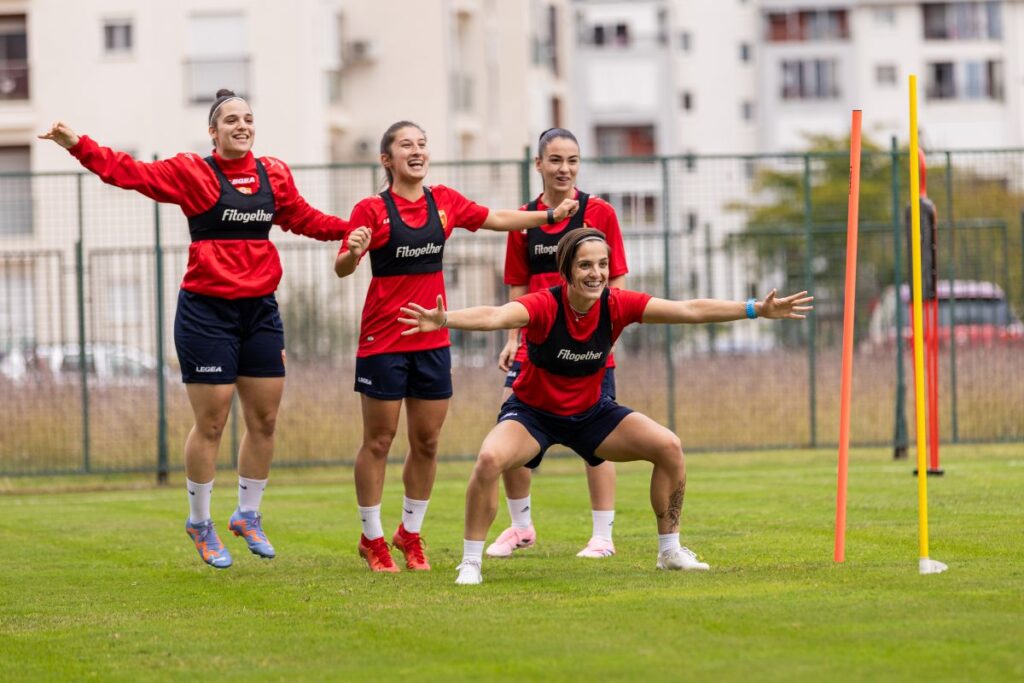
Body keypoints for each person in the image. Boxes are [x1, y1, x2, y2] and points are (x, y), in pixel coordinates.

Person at [39, 89, 350, 569]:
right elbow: (132, 174)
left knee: (265, 420)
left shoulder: (274, 174)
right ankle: (200, 522)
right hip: (207, 312)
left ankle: (247, 515)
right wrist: (76, 143)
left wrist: (351, 229)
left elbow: (304, 219)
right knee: (212, 421)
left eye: (247, 118)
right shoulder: (193, 173)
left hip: (260, 310)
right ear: (213, 131)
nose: (241, 125)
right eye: (230, 119)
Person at [398, 228, 812, 585]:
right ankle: (471, 561)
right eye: (585, 265)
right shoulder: (545, 304)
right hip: (533, 416)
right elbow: (496, 315)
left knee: (668, 447)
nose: (595, 273)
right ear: (567, 271)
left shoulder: (617, 303)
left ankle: (669, 550)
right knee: (489, 459)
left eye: (601, 264)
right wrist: (445, 319)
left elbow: (688, 310)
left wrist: (756, 309)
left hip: (591, 414)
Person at [334, 121, 578, 573]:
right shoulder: (371, 208)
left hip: (433, 341)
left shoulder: (442, 201)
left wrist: (548, 217)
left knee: (426, 442)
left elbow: (495, 219)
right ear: (387, 159)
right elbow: (344, 268)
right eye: (406, 145)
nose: (417, 151)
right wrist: (353, 250)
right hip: (383, 341)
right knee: (380, 441)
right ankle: (372, 539)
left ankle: (410, 534)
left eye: (423, 144)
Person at [490, 128, 628, 560]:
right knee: (512, 435)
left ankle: (602, 536)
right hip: (536, 347)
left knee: (599, 438)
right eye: (555, 160)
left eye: (572, 160)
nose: (564, 168)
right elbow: (517, 285)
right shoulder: (525, 220)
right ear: (539, 165)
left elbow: (618, 278)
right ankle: (521, 527)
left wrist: (608, 335)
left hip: (589, 347)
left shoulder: (599, 212)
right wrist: (511, 339)